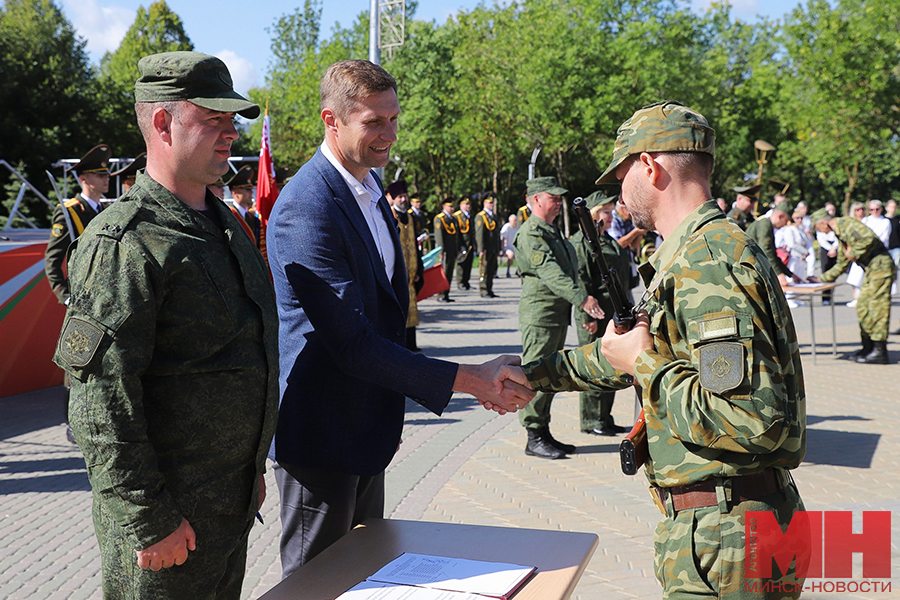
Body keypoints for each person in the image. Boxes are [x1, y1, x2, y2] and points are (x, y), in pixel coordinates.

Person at [496, 101, 807, 598]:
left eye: (621, 174)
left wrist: (643, 363)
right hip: (723, 529)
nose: (619, 193)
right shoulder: (696, 253)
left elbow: (749, 420)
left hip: (728, 539)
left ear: (650, 166)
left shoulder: (707, 264)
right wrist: (530, 374)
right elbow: (627, 352)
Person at [265, 59, 534, 578]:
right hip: (322, 440)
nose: (388, 134)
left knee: (362, 574)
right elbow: (354, 344)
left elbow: (390, 322)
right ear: (332, 120)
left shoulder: (368, 191)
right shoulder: (308, 205)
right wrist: (472, 379)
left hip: (368, 430)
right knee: (314, 582)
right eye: (373, 122)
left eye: (393, 118)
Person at [54, 51, 277, 599]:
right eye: (213, 120)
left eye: (232, 123)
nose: (230, 136)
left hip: (228, 511)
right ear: (161, 122)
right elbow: (96, 401)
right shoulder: (124, 241)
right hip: (167, 529)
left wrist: (249, 473)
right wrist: (146, 516)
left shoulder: (224, 225)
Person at [513, 176, 603, 460]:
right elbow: (551, 273)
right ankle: (533, 434)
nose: (559, 202)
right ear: (536, 199)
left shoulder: (551, 231)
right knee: (536, 374)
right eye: (554, 197)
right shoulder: (532, 233)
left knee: (549, 375)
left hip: (554, 314)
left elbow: (572, 269)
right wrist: (582, 299)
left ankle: (543, 430)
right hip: (540, 315)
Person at [571, 190, 630, 436]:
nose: (610, 215)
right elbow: (581, 280)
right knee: (593, 367)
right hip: (595, 315)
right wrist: (587, 318)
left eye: (611, 210)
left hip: (612, 311)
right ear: (593, 214)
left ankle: (605, 417)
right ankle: (591, 420)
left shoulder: (606, 240)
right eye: (605, 211)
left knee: (611, 366)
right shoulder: (582, 242)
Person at [811, 208, 895, 364]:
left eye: (818, 227)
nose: (819, 231)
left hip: (881, 267)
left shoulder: (846, 224)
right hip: (872, 269)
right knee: (863, 307)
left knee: (877, 308)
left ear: (823, 223)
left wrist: (854, 253)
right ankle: (868, 347)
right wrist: (820, 279)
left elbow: (868, 239)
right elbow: (842, 263)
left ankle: (880, 351)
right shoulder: (840, 232)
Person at [45, 144, 112, 306]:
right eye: (99, 175)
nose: (106, 179)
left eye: (106, 174)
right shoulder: (69, 212)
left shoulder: (106, 210)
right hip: (82, 295)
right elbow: (53, 259)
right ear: (83, 179)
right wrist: (65, 296)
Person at [386, 179, 423, 351]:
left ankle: (412, 344)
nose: (403, 199)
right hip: (397, 269)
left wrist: (418, 269)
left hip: (412, 268)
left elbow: (415, 244)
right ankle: (400, 346)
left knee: (412, 306)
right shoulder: (389, 214)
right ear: (393, 198)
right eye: (399, 196)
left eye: (404, 196)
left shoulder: (410, 216)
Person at [745, 200, 804, 288]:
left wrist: (790, 274)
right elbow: (766, 251)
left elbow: (773, 255)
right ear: (780, 216)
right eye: (786, 220)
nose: (785, 225)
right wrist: (779, 275)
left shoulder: (767, 224)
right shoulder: (765, 224)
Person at [225, 165, 261, 245]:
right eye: (247, 190)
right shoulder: (229, 214)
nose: (251, 192)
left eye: (251, 189)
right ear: (235, 193)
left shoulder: (250, 216)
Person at [433, 197, 459, 302]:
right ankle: (441, 294)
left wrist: (457, 249)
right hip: (445, 250)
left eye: (453, 206)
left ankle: (446, 293)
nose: (452, 208)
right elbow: (439, 236)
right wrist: (440, 250)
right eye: (450, 206)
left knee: (449, 272)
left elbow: (456, 236)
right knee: (443, 272)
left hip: (452, 249)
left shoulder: (453, 218)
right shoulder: (440, 218)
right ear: (444, 206)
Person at [475, 194, 501, 297]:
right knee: (484, 270)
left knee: (491, 269)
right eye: (490, 203)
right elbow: (479, 233)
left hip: (493, 247)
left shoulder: (493, 216)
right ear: (484, 203)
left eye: (492, 203)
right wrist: (481, 248)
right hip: (486, 248)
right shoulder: (481, 216)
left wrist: (498, 247)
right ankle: (484, 290)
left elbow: (496, 233)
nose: (492, 205)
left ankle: (489, 289)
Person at [816, 201, 839, 305]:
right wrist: (830, 248)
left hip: (836, 247)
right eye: (828, 210)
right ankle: (825, 298)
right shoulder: (822, 223)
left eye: (832, 210)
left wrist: (834, 248)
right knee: (826, 270)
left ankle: (830, 297)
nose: (831, 212)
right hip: (826, 248)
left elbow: (840, 238)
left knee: (834, 273)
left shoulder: (838, 224)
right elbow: (821, 238)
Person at [454, 196, 476, 290]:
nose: (468, 206)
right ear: (460, 205)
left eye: (469, 204)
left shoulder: (470, 215)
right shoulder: (457, 216)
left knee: (469, 263)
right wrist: (459, 246)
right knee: (461, 264)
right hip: (462, 244)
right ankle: (460, 282)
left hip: (470, 244)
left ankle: (466, 282)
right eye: (466, 204)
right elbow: (457, 233)